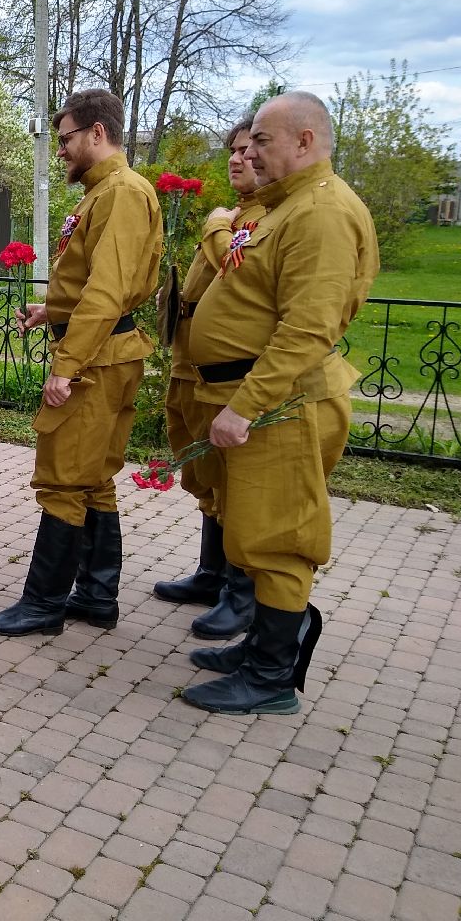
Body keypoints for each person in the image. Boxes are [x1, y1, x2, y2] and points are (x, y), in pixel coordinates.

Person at [182, 91, 378, 715]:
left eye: (262, 139)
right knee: (250, 533)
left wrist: (244, 406)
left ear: (305, 140)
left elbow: (308, 328)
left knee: (280, 539)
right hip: (251, 396)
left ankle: (270, 677)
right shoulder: (281, 208)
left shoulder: (321, 212)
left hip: (280, 405)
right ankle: (261, 647)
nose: (250, 150)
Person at [0, 89, 162, 638]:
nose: (61, 151)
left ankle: (43, 605)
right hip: (104, 353)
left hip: (96, 361)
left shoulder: (121, 193)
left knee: (62, 481)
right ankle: (96, 595)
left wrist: (66, 365)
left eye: (66, 140)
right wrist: (50, 308)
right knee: (92, 480)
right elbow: (90, 281)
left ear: (97, 135)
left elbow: (107, 290)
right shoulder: (105, 192)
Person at [152, 118, 264, 642]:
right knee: (203, 469)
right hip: (190, 362)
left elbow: (234, 272)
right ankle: (212, 571)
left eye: (249, 150)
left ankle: (241, 595)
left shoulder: (256, 221)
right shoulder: (237, 214)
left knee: (234, 481)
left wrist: (215, 228)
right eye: (234, 151)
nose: (237, 159)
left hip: (231, 377)